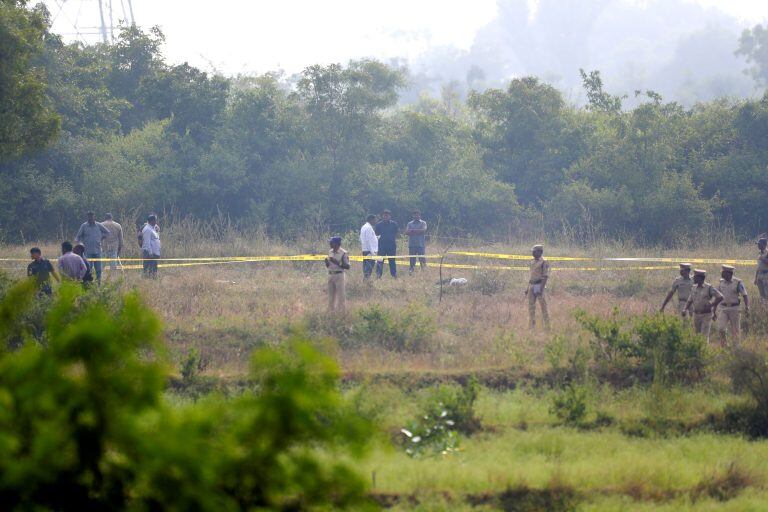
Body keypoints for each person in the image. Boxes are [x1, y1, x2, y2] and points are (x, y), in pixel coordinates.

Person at [684, 269, 723, 342]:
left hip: (706, 315)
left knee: (704, 335)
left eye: (695, 277)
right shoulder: (693, 288)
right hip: (696, 314)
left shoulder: (709, 288)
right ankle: (698, 351)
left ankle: (704, 351)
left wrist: (711, 305)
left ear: (700, 278)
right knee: (697, 335)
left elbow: (720, 297)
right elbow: (690, 300)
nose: (694, 279)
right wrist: (685, 309)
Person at [716, 265, 749, 347]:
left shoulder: (738, 282)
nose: (722, 273)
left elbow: (745, 295)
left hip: (735, 308)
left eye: (723, 272)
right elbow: (717, 296)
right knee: (721, 328)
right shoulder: (721, 282)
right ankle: (724, 346)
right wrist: (713, 307)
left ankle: (736, 348)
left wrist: (747, 307)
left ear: (729, 273)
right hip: (723, 308)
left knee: (735, 330)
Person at [74, 211, 109, 284]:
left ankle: (98, 284)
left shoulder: (99, 225)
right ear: (87, 217)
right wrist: (80, 244)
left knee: (98, 270)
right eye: (89, 217)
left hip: (98, 251)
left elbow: (107, 232)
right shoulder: (84, 226)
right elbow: (77, 237)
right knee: (88, 269)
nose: (90, 218)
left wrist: (101, 237)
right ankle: (89, 284)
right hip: (87, 251)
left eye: (92, 217)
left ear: (94, 217)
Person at [526, 244, 550, 330]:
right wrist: (527, 287)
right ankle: (532, 327)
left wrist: (541, 288)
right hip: (532, 285)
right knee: (531, 307)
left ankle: (547, 326)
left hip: (539, 285)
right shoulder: (531, 261)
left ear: (540, 252)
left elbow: (545, 276)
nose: (532, 253)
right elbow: (531, 275)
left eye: (534, 251)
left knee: (543, 306)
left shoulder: (544, 262)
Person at [325, 236, 350, 312]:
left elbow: (348, 266)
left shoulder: (343, 253)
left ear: (337, 244)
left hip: (339, 276)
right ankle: (331, 312)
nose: (330, 244)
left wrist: (337, 262)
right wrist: (326, 263)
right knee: (331, 296)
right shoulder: (330, 252)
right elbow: (329, 265)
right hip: (330, 275)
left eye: (331, 242)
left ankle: (342, 313)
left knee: (341, 296)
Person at [374, 209, 398, 279]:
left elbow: (396, 233)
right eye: (384, 215)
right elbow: (376, 235)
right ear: (382, 216)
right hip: (381, 246)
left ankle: (394, 275)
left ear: (390, 216)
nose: (385, 216)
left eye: (387, 215)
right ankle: (378, 275)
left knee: (392, 261)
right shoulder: (378, 225)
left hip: (391, 245)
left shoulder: (394, 224)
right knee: (380, 261)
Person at [406, 209, 428, 274]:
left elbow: (423, 230)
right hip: (412, 245)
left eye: (418, 214)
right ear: (413, 215)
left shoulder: (423, 223)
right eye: (415, 214)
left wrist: (412, 230)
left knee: (422, 260)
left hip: (421, 245)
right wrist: (418, 230)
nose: (416, 216)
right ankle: (411, 272)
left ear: (420, 215)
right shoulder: (409, 223)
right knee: (412, 260)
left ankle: (424, 273)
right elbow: (407, 232)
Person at [140, 214, 161, 278]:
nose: (156, 222)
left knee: (154, 268)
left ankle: (153, 279)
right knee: (148, 267)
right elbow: (147, 242)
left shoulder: (152, 228)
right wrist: (150, 252)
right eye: (155, 220)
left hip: (154, 252)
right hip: (149, 253)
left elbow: (156, 237)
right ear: (152, 221)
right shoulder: (147, 229)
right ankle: (146, 280)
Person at [359, 214, 378, 279]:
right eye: (375, 220)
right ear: (371, 220)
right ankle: (366, 280)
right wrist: (372, 252)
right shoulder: (369, 228)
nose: (376, 221)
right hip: (369, 251)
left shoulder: (364, 227)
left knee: (366, 266)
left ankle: (366, 280)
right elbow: (369, 240)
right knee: (369, 267)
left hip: (365, 249)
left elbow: (361, 238)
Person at [755, 237, 768, 302]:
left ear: (765, 244)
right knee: (761, 295)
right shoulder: (759, 253)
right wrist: (756, 277)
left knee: (766, 293)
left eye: (759, 244)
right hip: (759, 275)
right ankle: (763, 307)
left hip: (766, 275)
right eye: (758, 244)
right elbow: (758, 266)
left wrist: (762, 258)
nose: (758, 245)